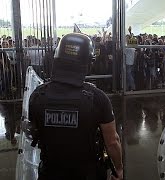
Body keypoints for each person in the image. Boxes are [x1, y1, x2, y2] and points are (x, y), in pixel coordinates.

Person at [29, 33, 123, 180]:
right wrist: (119, 168)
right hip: (88, 173)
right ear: (88, 62)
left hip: (50, 173)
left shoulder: (37, 95)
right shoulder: (97, 98)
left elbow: (34, 131)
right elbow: (112, 141)